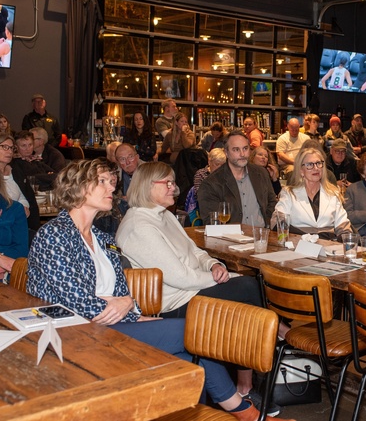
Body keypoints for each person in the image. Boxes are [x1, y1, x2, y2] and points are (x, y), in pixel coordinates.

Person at [26, 159, 288, 421]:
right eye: (102, 182)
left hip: (108, 325)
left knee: (189, 359)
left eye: (111, 181)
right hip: (71, 334)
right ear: (79, 187)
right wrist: (120, 304)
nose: (112, 187)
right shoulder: (55, 234)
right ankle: (249, 413)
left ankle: (242, 412)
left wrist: (134, 310)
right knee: (193, 332)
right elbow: (76, 301)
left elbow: (121, 293)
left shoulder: (102, 239)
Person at [197, 131, 276, 228]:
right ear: (226, 153)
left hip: (261, 236)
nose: (242, 154)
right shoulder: (211, 183)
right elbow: (211, 221)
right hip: (230, 239)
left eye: (245, 148)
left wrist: (266, 222)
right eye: (236, 150)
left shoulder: (261, 173)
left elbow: (272, 201)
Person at [274, 147, 353, 237]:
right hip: (298, 244)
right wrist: (307, 236)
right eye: (309, 165)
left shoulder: (333, 193)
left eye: (318, 163)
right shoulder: (289, 193)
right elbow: (277, 222)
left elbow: (343, 226)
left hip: (328, 244)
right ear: (301, 170)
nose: (316, 168)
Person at [0, 132, 39, 230]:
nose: (9, 152)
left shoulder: (15, 170)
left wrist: (24, 206)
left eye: (11, 148)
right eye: (5, 147)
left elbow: (23, 195)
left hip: (20, 224)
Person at [185, 148, 227, 216]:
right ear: (209, 162)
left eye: (222, 165)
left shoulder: (226, 174)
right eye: (217, 164)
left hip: (222, 208)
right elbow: (199, 195)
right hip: (205, 208)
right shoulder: (201, 174)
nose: (220, 168)